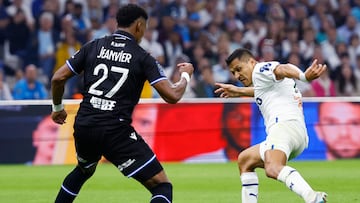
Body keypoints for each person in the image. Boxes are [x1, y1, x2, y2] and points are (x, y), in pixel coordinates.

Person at [50, 4, 193, 203]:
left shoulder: (94, 46)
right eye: (145, 27)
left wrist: (57, 108)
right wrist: (186, 75)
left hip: (85, 125)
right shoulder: (142, 57)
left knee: (83, 171)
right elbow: (173, 95)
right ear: (139, 26)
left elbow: (58, 78)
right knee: (161, 185)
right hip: (115, 131)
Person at [215, 48, 327, 203]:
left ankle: (312, 197)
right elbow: (261, 90)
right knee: (245, 160)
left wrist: (304, 76)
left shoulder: (260, 70)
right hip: (296, 133)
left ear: (252, 62)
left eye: (239, 69)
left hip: (283, 128)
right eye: (233, 72)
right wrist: (238, 91)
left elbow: (283, 68)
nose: (237, 75)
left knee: (272, 168)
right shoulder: (263, 82)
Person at [184, 103, 251, 163]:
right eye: (237, 117)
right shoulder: (197, 162)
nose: (246, 126)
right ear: (223, 121)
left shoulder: (260, 160)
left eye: (252, 119)